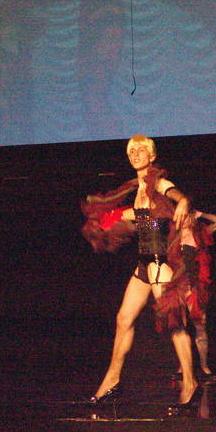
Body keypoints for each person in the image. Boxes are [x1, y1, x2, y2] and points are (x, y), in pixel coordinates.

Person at [81, 134, 197, 410]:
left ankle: (190, 382)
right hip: (144, 265)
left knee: (174, 324)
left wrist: (183, 201)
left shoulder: (158, 182)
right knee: (123, 319)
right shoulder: (137, 188)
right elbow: (142, 216)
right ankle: (112, 379)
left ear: (151, 156)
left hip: (159, 264)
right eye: (131, 151)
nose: (135, 154)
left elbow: (174, 193)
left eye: (141, 150)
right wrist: (109, 220)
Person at [173, 209, 216, 380]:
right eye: (184, 216)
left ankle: (204, 366)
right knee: (180, 327)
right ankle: (182, 366)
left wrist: (200, 214)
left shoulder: (199, 234)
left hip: (195, 285)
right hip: (178, 285)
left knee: (200, 326)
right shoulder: (172, 235)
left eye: (189, 216)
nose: (186, 219)